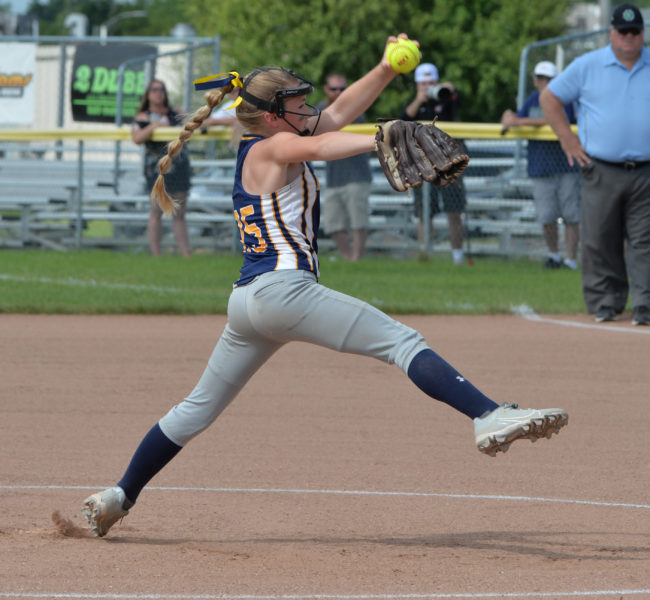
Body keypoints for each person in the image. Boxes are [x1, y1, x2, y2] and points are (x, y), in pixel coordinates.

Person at [82, 34, 568, 538]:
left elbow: (330, 120)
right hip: (284, 291)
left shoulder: (263, 142)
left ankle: (119, 494)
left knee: (194, 410)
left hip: (247, 302)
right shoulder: (276, 146)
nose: (309, 107)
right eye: (297, 103)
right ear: (273, 116)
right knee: (402, 343)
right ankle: (486, 414)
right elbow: (321, 143)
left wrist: (385, 69)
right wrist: (382, 136)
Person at [539, 3, 650, 325]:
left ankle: (645, 305)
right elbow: (550, 98)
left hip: (646, 169)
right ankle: (606, 302)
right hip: (601, 166)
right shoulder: (589, 65)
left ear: (642, 33)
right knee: (601, 238)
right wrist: (567, 139)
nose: (629, 37)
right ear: (611, 33)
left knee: (646, 241)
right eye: (622, 31)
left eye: (635, 31)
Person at [500, 61, 581, 270]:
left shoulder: (566, 99)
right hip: (540, 166)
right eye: (540, 78)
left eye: (548, 79)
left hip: (568, 164)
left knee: (571, 214)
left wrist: (518, 122)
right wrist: (509, 117)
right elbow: (518, 117)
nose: (543, 82)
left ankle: (571, 260)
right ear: (535, 81)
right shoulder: (533, 99)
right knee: (547, 216)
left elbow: (552, 119)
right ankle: (554, 256)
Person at [401, 62, 466, 265]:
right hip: (422, 164)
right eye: (424, 83)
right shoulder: (414, 103)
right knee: (424, 213)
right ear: (417, 85)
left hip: (449, 161)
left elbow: (458, 99)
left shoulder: (445, 98)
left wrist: (447, 89)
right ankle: (424, 254)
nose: (428, 87)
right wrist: (420, 99)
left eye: (431, 83)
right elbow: (403, 119)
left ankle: (458, 256)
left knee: (454, 210)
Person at [315, 72, 373, 261]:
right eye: (334, 89)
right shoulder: (319, 110)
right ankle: (347, 258)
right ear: (326, 89)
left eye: (343, 89)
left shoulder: (353, 109)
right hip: (334, 177)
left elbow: (338, 117)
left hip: (357, 175)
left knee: (358, 221)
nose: (339, 92)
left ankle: (356, 259)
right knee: (334, 223)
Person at [132, 79, 191, 257]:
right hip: (157, 169)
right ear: (148, 94)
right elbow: (137, 138)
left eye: (162, 89)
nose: (159, 93)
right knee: (156, 211)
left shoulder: (175, 113)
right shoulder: (143, 117)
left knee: (179, 212)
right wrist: (154, 126)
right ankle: (156, 255)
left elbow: (191, 128)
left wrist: (184, 118)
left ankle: (185, 255)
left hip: (179, 166)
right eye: (155, 89)